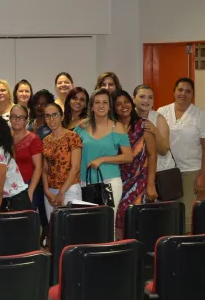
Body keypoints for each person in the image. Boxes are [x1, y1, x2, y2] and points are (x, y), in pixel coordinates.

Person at [158, 78, 205, 231]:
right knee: (166, 211)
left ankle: (182, 249)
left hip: (190, 171)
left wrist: (203, 176)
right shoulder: (162, 111)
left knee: (186, 213)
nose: (183, 94)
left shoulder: (201, 115)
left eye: (188, 91)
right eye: (180, 90)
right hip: (165, 171)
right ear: (174, 92)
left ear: (193, 95)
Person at [74, 89, 133, 223]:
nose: (101, 106)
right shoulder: (81, 127)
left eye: (105, 102)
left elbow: (128, 157)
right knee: (88, 224)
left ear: (110, 106)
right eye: (97, 102)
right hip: (85, 181)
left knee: (107, 224)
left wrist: (102, 159)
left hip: (110, 183)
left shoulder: (117, 127)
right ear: (92, 106)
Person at [115, 89, 157, 231]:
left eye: (126, 101)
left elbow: (152, 155)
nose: (123, 106)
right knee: (117, 225)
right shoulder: (111, 127)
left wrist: (151, 185)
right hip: (116, 183)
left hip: (139, 183)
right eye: (118, 104)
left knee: (137, 225)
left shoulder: (143, 124)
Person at [40, 103, 83, 219]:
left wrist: (62, 192)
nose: (51, 119)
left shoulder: (72, 137)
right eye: (47, 116)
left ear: (62, 117)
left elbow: (75, 167)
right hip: (51, 191)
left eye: (55, 115)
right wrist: (46, 191)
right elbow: (44, 169)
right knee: (54, 230)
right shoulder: (45, 141)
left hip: (70, 188)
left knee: (71, 229)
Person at [133, 84, 174, 173]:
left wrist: (155, 131)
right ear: (134, 99)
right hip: (136, 171)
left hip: (160, 170)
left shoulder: (159, 119)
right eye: (142, 97)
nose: (146, 100)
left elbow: (164, 151)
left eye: (150, 97)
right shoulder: (128, 117)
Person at [10, 104, 42, 203]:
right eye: (14, 117)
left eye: (21, 117)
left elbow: (38, 167)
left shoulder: (33, 138)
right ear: (10, 119)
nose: (17, 120)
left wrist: (30, 191)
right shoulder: (7, 138)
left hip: (28, 185)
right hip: (10, 186)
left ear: (26, 119)